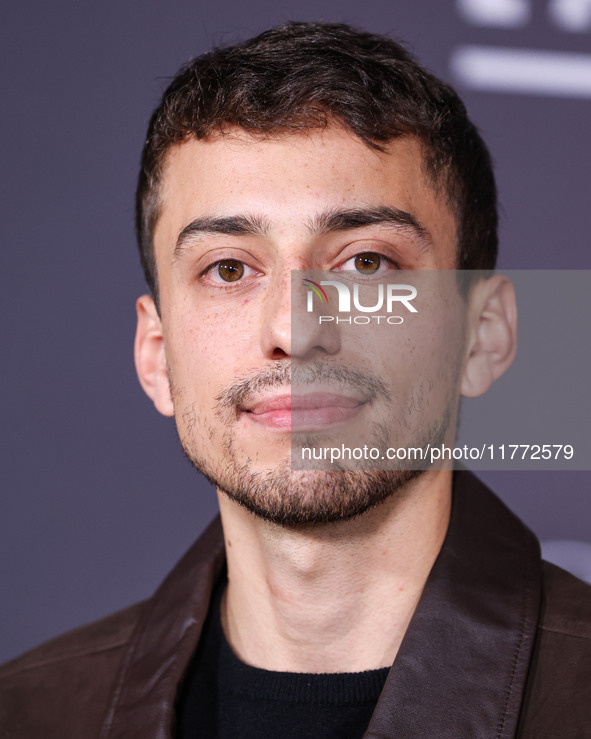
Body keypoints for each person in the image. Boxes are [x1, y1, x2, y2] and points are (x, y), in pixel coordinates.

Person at [1, 21, 590, 739]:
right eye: (228, 268)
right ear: (155, 353)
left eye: (365, 263)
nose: (293, 328)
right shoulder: (29, 711)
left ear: (481, 336)